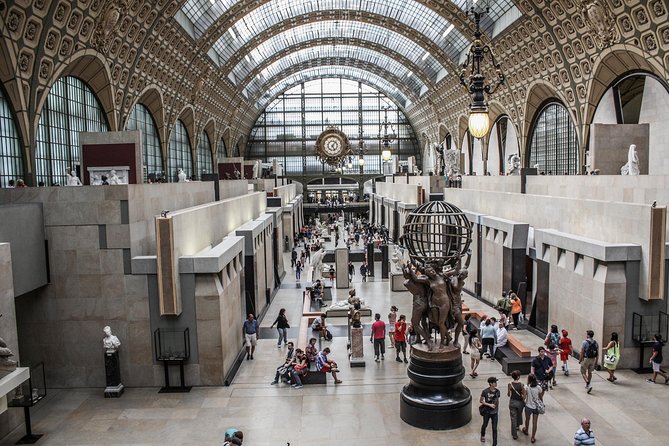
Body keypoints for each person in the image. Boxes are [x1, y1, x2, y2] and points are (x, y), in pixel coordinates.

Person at [522, 373, 544, 443]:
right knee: (535, 423)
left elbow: (524, 397)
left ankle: (526, 430)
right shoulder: (538, 387)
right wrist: (541, 403)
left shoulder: (527, 387)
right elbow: (540, 397)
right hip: (536, 407)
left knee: (527, 420)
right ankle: (533, 437)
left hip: (528, 406)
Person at [479, 376, 500, 445]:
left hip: (495, 413)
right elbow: (481, 401)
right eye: (495, 382)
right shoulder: (485, 391)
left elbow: (497, 400)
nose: (496, 383)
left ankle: (494, 443)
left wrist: (497, 408)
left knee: (494, 428)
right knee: (485, 424)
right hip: (487, 412)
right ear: (491, 383)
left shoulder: (497, 391)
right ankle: (482, 434)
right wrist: (489, 405)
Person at [508, 370, 526, 440]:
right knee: (519, 414)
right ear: (518, 377)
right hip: (520, 402)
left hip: (512, 402)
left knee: (513, 418)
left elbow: (508, 394)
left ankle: (514, 434)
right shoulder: (521, 385)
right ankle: (518, 426)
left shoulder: (510, 384)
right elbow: (524, 396)